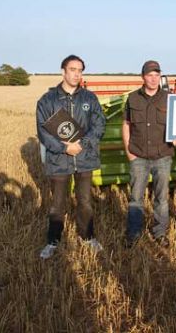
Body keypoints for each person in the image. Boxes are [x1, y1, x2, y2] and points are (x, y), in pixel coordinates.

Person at [36, 55, 106, 259]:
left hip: (84, 160)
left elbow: (99, 125)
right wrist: (64, 148)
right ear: (63, 71)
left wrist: (81, 145)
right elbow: (42, 131)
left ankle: (87, 237)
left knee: (84, 202)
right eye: (73, 69)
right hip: (59, 161)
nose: (77, 74)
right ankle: (53, 241)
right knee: (58, 203)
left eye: (80, 70)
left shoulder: (89, 98)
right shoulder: (47, 100)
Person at [122, 60, 174, 247]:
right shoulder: (133, 98)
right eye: (150, 75)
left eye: (157, 75)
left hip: (163, 156)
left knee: (161, 197)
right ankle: (134, 233)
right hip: (139, 156)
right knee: (136, 197)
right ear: (143, 77)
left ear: (160, 77)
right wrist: (129, 151)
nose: (153, 79)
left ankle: (160, 232)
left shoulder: (169, 98)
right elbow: (126, 124)